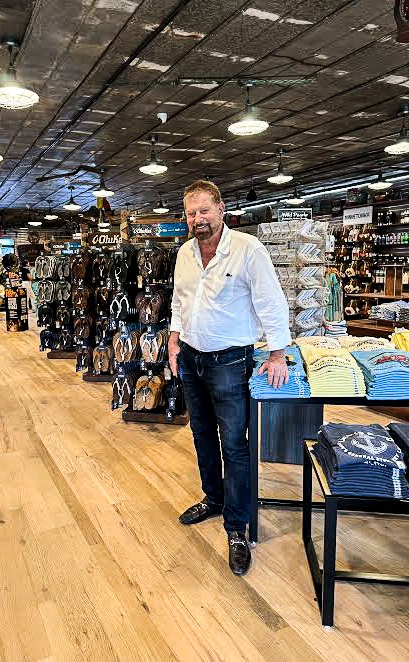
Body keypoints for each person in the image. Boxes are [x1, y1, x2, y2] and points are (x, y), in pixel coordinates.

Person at [169, 180, 291, 576]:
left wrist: (277, 353)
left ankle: (236, 528)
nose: (197, 219)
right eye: (191, 213)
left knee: (235, 446)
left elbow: (270, 300)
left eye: (204, 210)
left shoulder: (247, 249)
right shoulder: (185, 253)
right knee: (202, 435)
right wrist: (173, 339)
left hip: (230, 361)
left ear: (221, 209)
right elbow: (179, 300)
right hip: (190, 357)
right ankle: (213, 498)